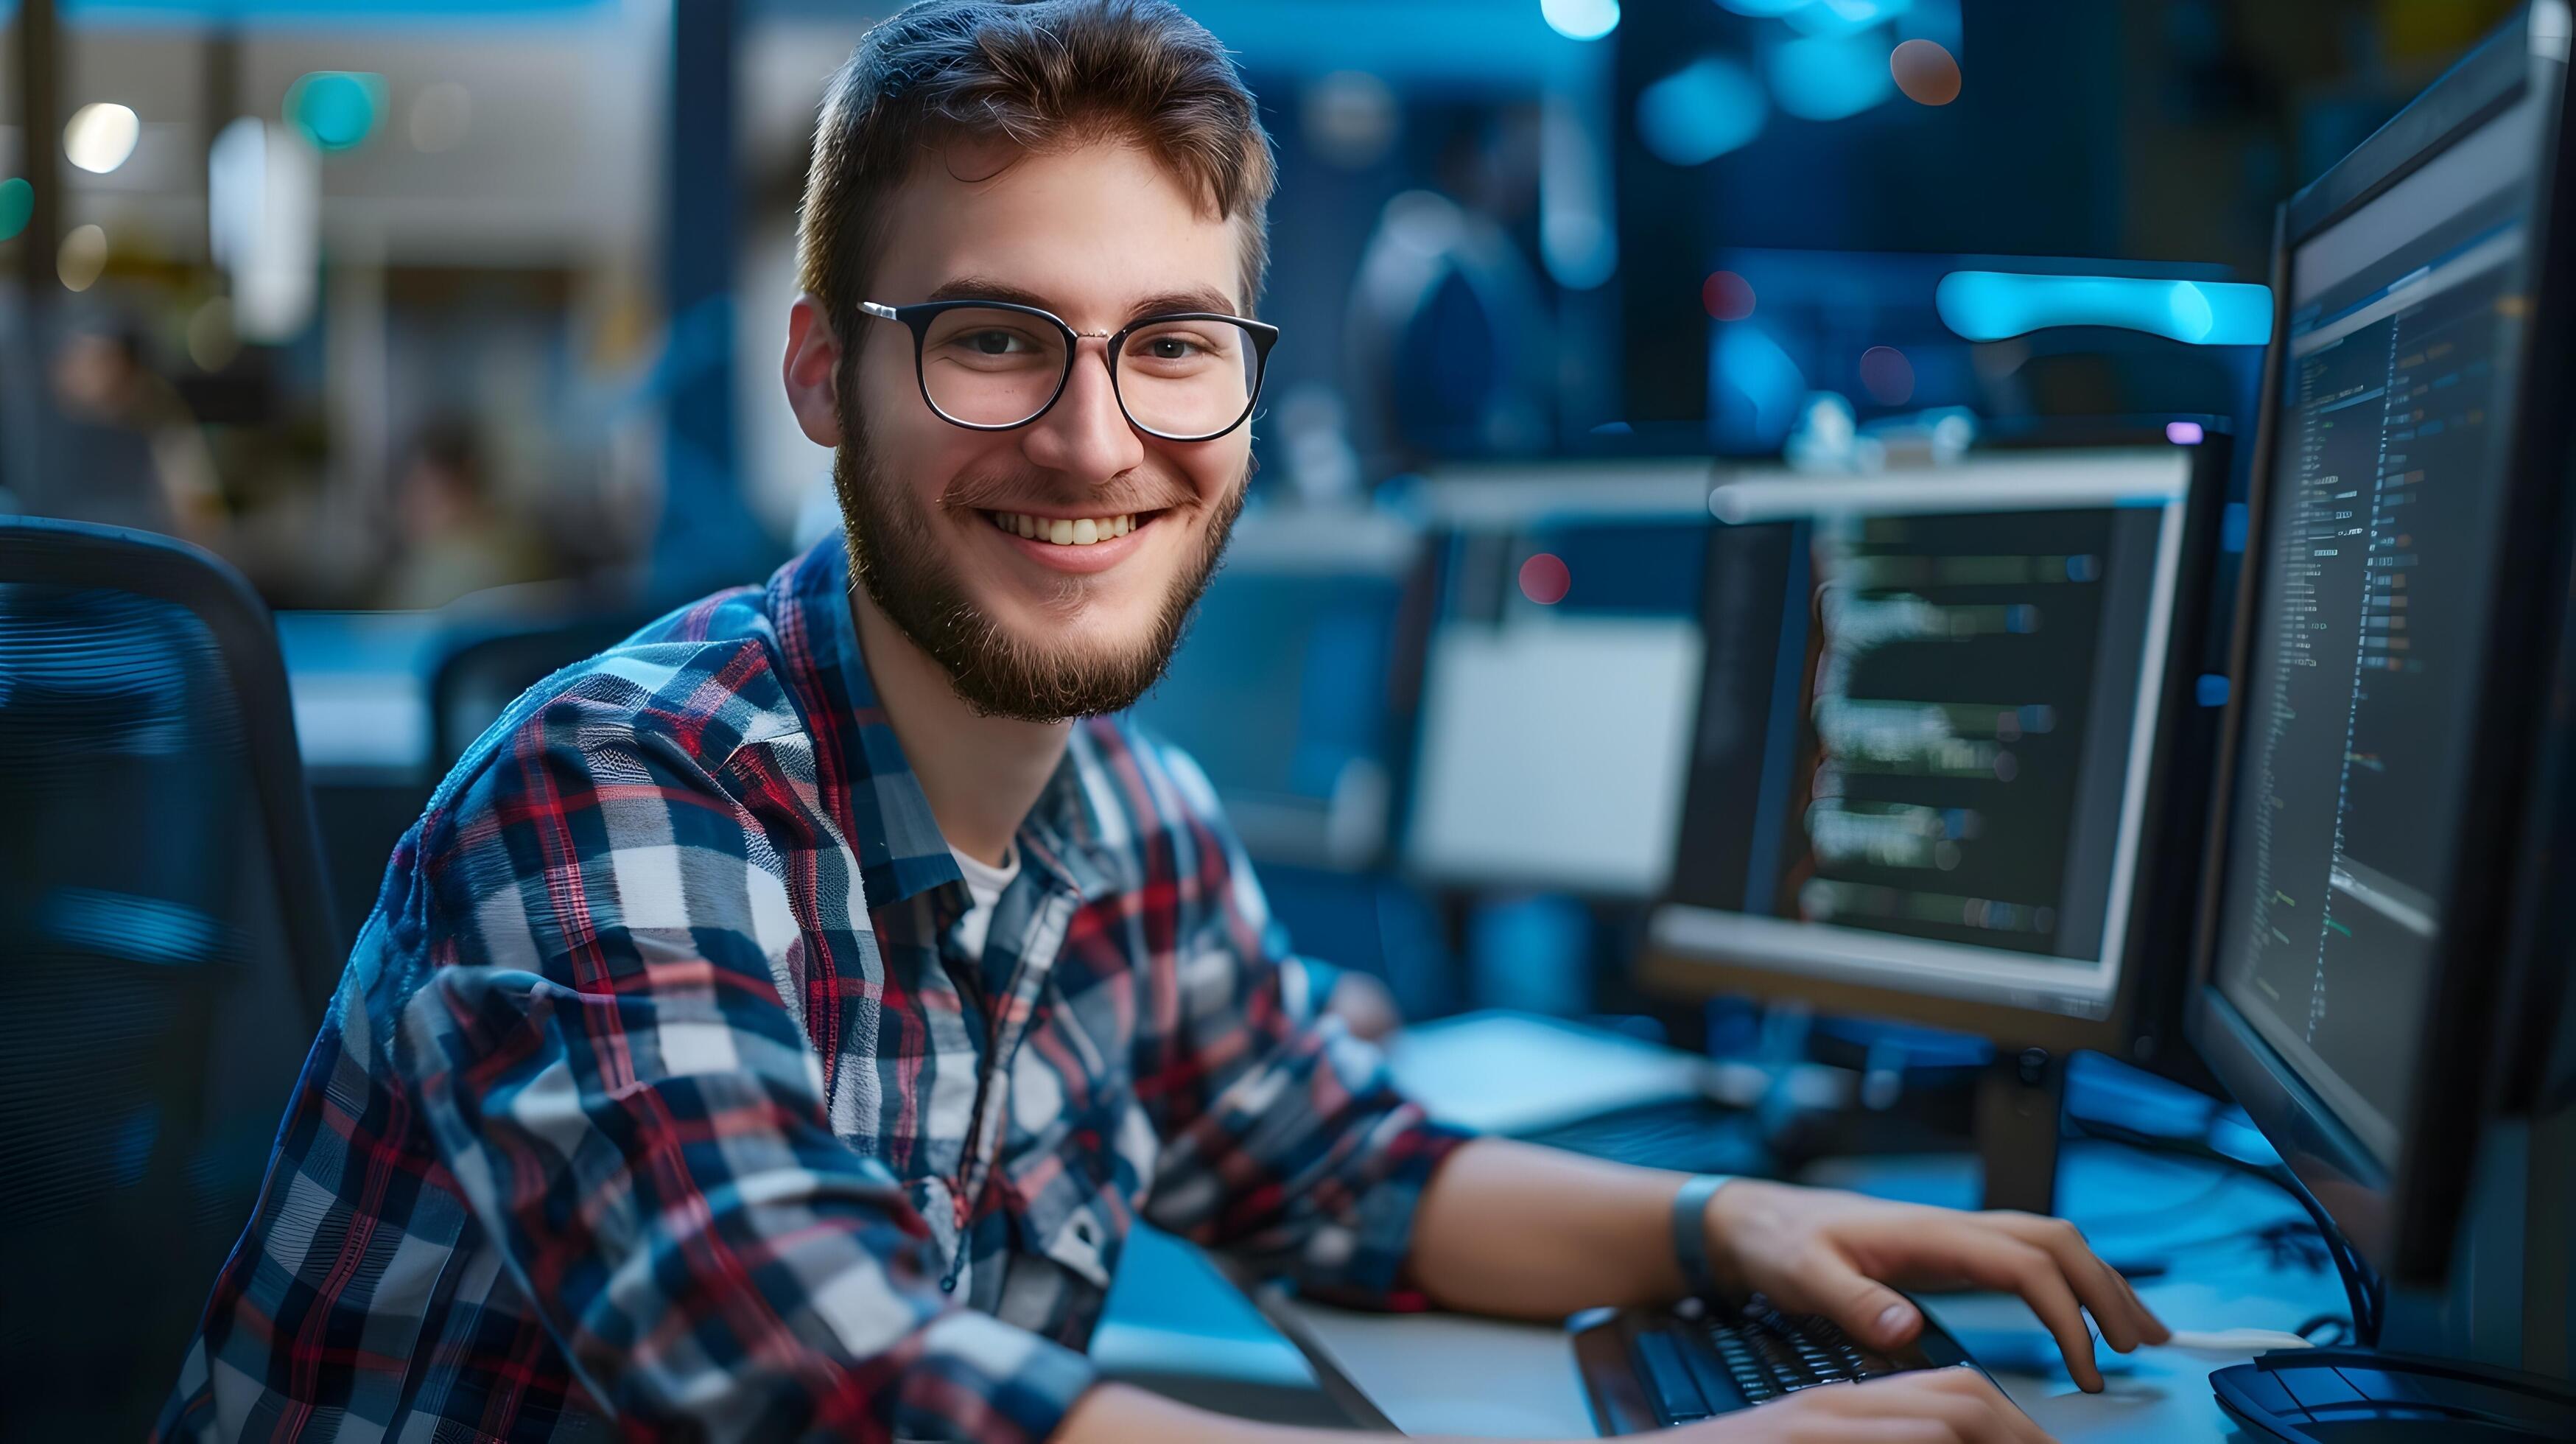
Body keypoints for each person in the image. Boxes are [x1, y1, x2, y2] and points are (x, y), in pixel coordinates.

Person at [155, 4, 2164, 1441]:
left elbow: (1344, 1170)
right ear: (818, 379)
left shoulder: (1127, 816)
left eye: (1172, 347)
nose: (1098, 437)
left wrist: (1737, 1223)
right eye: (993, 340)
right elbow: (811, 1366)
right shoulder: (622, 789)